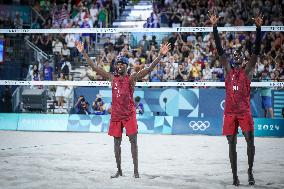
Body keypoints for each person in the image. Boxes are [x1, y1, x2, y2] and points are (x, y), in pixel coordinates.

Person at [75, 40, 170, 178]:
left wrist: (160, 55)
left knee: (133, 142)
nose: (119, 66)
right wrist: (83, 52)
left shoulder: (132, 78)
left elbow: (149, 69)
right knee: (116, 144)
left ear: (126, 66)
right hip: (116, 115)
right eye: (117, 64)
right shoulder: (112, 78)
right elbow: (95, 68)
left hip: (129, 114)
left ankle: (136, 172)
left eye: (121, 64)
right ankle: (119, 171)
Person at [209, 9, 263, 186]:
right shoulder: (227, 69)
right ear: (232, 59)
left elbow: (256, 52)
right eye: (235, 55)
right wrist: (215, 27)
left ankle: (249, 171)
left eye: (240, 55)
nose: (237, 56)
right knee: (231, 144)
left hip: (244, 112)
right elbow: (219, 49)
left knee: (250, 142)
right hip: (230, 113)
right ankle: (234, 176)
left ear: (243, 59)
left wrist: (258, 29)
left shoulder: (247, 71)